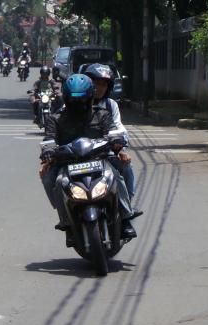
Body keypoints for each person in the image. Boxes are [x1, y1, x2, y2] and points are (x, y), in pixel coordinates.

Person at [40, 74, 139, 244]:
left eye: (82, 100)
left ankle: (125, 218)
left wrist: (118, 145)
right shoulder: (55, 119)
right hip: (68, 162)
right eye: (73, 101)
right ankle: (67, 223)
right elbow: (48, 140)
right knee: (52, 180)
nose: (78, 105)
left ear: (90, 98)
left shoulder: (102, 114)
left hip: (100, 158)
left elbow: (114, 133)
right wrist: (48, 154)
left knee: (118, 175)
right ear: (66, 99)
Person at [83, 63, 137, 199]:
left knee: (125, 166)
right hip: (79, 155)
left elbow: (118, 127)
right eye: (95, 84)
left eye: (103, 85)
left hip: (104, 153)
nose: (99, 88)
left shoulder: (110, 105)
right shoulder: (75, 102)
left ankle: (128, 205)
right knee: (58, 178)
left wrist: (121, 147)